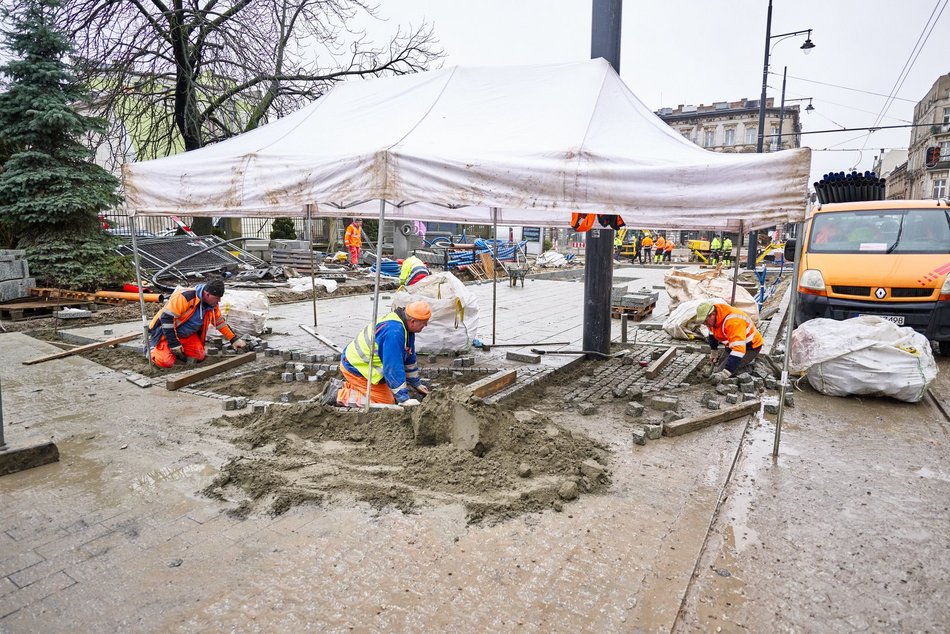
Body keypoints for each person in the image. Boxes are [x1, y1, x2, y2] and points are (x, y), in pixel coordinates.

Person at [336, 301, 432, 407]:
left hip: (364, 365)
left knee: (392, 392)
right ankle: (340, 394)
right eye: (424, 322)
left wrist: (416, 384)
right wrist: (403, 399)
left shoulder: (406, 327)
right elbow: (393, 367)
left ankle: (355, 387)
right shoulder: (393, 333)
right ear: (413, 321)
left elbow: (409, 359)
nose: (426, 325)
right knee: (387, 403)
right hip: (356, 368)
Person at [147, 279, 246, 368]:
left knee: (199, 355)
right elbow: (166, 319)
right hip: (164, 334)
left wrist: (234, 339)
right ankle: (151, 350)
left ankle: (177, 352)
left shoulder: (212, 305)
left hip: (186, 336)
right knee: (166, 363)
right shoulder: (185, 297)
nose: (219, 300)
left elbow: (220, 323)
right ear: (207, 294)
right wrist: (173, 343)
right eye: (217, 297)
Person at [696, 302, 763, 383]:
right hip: (732, 344)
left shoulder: (733, 321)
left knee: (725, 372)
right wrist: (714, 351)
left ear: (713, 314)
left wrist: (725, 373)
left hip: (750, 347)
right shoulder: (713, 320)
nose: (705, 324)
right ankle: (738, 365)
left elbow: (738, 350)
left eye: (705, 321)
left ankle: (749, 368)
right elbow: (712, 334)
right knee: (721, 365)